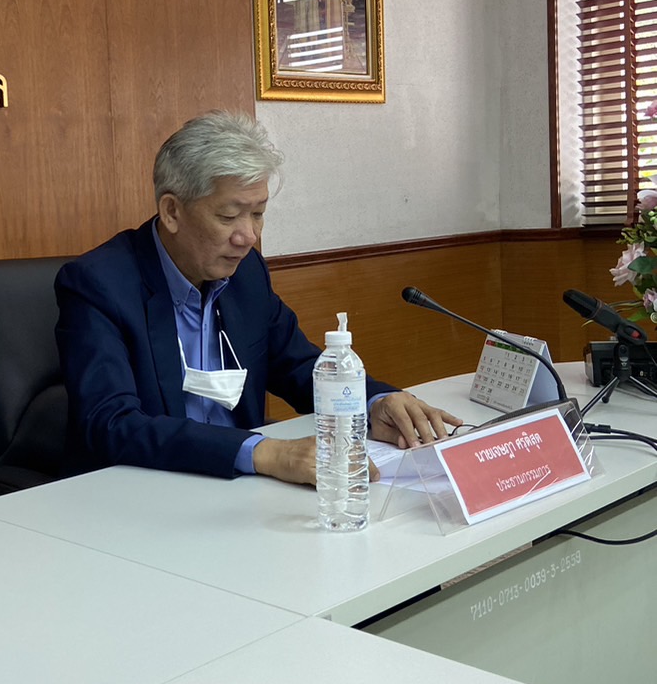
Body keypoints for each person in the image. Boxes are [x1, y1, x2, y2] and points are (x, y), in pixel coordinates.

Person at [55, 111, 460, 484]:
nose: (248, 236)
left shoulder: (245, 273)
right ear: (172, 212)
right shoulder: (99, 283)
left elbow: (298, 365)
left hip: (238, 488)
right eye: (229, 216)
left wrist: (373, 402)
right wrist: (265, 453)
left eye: (258, 213)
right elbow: (111, 423)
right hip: (139, 490)